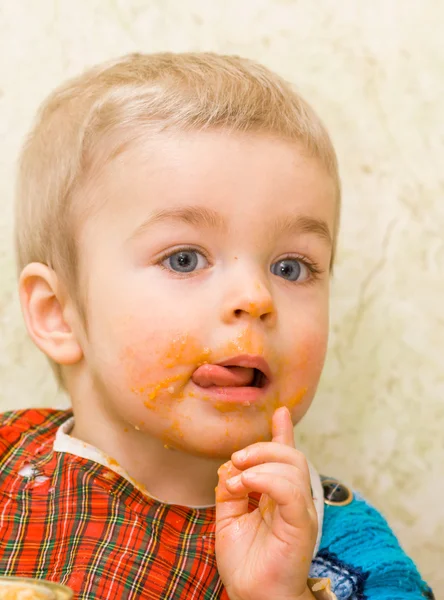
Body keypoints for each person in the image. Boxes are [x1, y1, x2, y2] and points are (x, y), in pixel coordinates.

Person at [0, 52, 433, 600]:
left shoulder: (348, 550)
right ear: (57, 313)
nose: (255, 298)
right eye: (184, 258)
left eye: (290, 268)